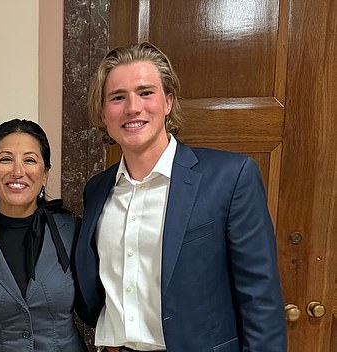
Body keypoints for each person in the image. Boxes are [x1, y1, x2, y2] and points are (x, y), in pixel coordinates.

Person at [74, 42, 287, 351]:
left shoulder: (230, 177)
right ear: (103, 113)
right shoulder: (97, 190)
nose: (133, 107)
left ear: (168, 102)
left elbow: (261, 299)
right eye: (118, 97)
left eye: (146, 93)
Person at [0, 119, 86, 352]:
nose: (18, 171)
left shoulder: (74, 232)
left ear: (44, 174)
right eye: (6, 159)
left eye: (29, 160)